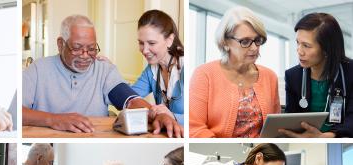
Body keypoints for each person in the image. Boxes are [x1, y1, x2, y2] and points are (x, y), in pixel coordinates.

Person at [22, 15, 183, 138]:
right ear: (60, 44)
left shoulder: (104, 70)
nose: (85, 56)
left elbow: (130, 99)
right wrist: (53, 119)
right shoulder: (37, 70)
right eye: (77, 48)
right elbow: (17, 113)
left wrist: (158, 114)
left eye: (92, 49)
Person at [189, 6, 280, 138]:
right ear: (225, 42)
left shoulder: (270, 77)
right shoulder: (204, 74)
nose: (254, 48)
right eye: (245, 41)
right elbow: (195, 128)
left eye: (258, 40)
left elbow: (274, 128)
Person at [281, 13, 353, 138]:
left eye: (306, 46)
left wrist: (329, 136)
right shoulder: (293, 76)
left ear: (326, 49)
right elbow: (291, 119)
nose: (299, 51)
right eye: (298, 43)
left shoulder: (350, 71)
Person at [132, 10, 184, 125]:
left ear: (169, 40)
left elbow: (201, 118)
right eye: (141, 43)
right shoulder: (152, 70)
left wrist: (173, 116)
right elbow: (130, 96)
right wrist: (110, 69)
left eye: (151, 43)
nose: (144, 50)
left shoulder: (187, 67)